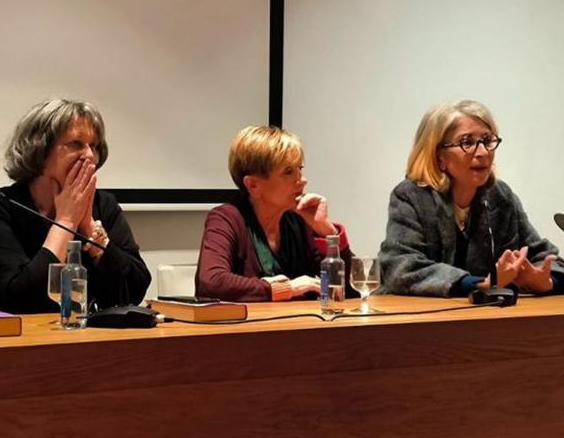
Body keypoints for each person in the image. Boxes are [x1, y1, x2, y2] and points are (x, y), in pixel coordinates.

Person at [0, 99, 151, 313]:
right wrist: (66, 222)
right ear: (40, 150)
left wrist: (89, 228)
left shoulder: (103, 204)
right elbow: (20, 301)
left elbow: (134, 291)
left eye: (95, 146)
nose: (89, 155)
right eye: (76, 144)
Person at [380, 100, 564, 296]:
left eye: (487, 140)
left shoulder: (501, 197)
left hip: (487, 320)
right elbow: (400, 267)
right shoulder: (411, 197)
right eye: (467, 142)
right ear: (439, 156)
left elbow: (546, 259)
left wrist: (546, 281)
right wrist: (477, 284)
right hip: (418, 322)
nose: (483, 152)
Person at [196, 125, 353, 302]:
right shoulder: (226, 218)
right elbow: (211, 283)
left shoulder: (297, 220)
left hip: (299, 326)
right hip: (247, 328)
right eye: (288, 171)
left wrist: (327, 231)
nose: (302, 180)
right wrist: (284, 289)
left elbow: (348, 288)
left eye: (300, 168)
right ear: (253, 185)